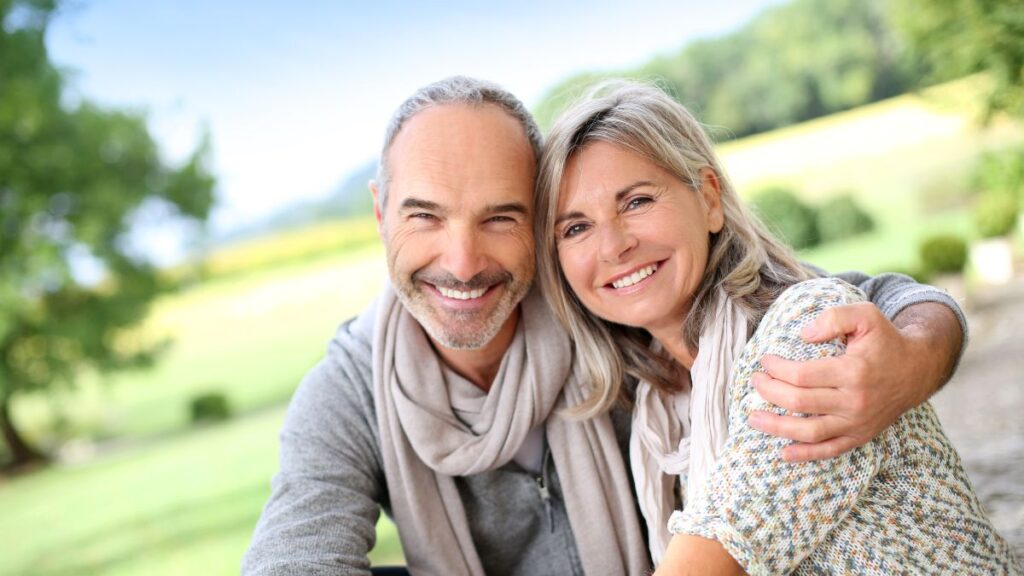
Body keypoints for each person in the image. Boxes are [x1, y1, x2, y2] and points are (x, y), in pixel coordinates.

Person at [242, 76, 970, 576]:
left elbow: (861, 301)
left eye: (500, 217)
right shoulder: (354, 390)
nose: (461, 261)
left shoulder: (611, 326)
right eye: (424, 216)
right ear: (379, 213)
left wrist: (918, 352)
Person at [534, 80, 1021, 574]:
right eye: (576, 228)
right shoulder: (657, 406)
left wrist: (923, 346)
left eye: (636, 201)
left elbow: (721, 547)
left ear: (708, 199)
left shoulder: (806, 337)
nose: (613, 246)